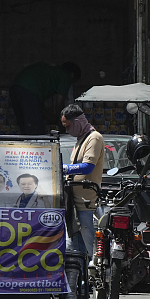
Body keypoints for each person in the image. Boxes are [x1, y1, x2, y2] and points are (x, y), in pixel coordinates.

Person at [61, 104, 105, 258]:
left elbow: (87, 167)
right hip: (73, 202)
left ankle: (96, 278)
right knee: (74, 247)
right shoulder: (81, 138)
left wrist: (65, 168)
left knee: (91, 247)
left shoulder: (94, 138)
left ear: (78, 122)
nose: (67, 130)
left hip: (86, 202)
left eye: (68, 126)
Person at [10, 61, 81, 135]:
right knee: (35, 127)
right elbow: (59, 104)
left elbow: (39, 107)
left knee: (24, 123)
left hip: (15, 87)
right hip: (28, 90)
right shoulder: (65, 76)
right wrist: (61, 121)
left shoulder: (51, 73)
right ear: (72, 75)